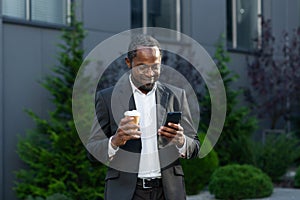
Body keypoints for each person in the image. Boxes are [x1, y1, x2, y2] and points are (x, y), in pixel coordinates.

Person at [87, 34, 200, 200]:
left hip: (168, 192)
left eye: (155, 66)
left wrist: (181, 141)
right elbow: (92, 151)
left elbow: (195, 146)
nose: (150, 73)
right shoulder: (107, 98)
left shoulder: (176, 96)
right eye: (142, 67)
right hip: (127, 193)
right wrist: (115, 141)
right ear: (128, 63)